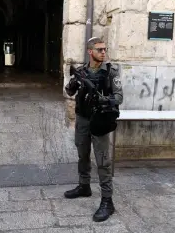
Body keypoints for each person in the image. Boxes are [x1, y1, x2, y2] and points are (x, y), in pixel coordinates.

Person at [64, 37, 123, 222]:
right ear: (90, 52)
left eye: (105, 49)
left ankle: (107, 201)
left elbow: (119, 96)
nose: (103, 52)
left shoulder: (111, 72)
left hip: (100, 121)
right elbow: (69, 92)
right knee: (82, 154)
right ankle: (84, 186)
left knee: (103, 161)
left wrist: (104, 100)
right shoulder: (81, 71)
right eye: (99, 49)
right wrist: (72, 85)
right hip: (82, 120)